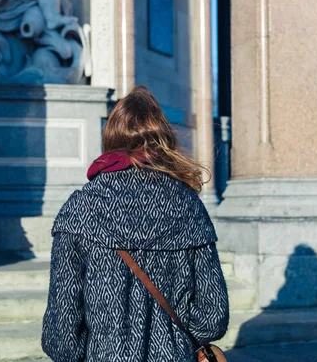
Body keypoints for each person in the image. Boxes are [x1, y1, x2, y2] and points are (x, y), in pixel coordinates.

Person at [41, 85, 230, 361]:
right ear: (162, 139)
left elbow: (61, 336)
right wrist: (173, 337)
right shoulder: (188, 206)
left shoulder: (79, 210)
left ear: (111, 139)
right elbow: (213, 316)